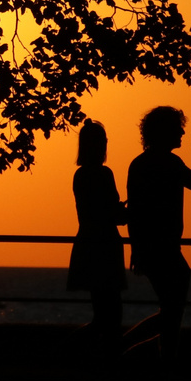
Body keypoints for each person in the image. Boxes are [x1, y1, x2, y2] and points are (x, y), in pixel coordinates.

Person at [124, 106, 191, 360]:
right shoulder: (169, 163)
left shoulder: (141, 164)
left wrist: (136, 249)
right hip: (163, 248)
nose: (182, 132)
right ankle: (127, 348)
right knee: (173, 312)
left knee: (171, 310)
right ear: (164, 131)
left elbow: (134, 212)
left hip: (157, 248)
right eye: (177, 127)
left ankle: (162, 359)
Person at [66, 119, 127, 346]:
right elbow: (114, 215)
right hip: (105, 243)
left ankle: (75, 351)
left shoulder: (80, 175)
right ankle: (69, 351)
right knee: (111, 312)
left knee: (101, 310)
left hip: (87, 241)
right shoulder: (103, 174)